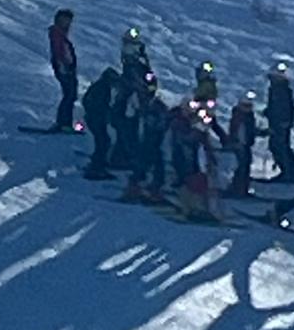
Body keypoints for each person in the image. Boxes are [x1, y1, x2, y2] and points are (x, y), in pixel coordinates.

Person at [124, 73, 169, 202]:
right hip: (145, 137)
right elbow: (130, 114)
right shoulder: (139, 101)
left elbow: (162, 122)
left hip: (154, 138)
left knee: (153, 159)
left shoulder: (157, 105)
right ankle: (138, 185)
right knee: (143, 159)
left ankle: (153, 187)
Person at [176, 110, 222, 222]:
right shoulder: (193, 136)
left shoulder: (201, 136)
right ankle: (192, 210)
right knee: (194, 187)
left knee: (200, 188)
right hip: (194, 166)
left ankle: (196, 209)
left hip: (198, 167)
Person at [265, 61, 294, 183]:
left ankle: (289, 172)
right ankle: (289, 170)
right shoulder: (274, 90)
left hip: (281, 123)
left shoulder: (282, 90)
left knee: (280, 146)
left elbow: (286, 107)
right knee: (277, 145)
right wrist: (268, 112)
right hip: (276, 122)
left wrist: (285, 121)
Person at [81, 66, 121, 178]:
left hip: (93, 118)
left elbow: (86, 100)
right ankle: (97, 168)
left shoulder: (99, 86)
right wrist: (106, 114)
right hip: (96, 119)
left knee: (102, 141)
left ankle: (98, 163)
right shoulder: (102, 89)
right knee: (103, 142)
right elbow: (100, 106)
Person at [47, 8, 78, 132]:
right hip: (63, 67)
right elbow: (59, 52)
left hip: (66, 67)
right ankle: (63, 123)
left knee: (70, 94)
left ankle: (65, 123)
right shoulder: (57, 34)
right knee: (69, 95)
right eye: (65, 20)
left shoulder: (61, 34)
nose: (68, 23)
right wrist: (63, 65)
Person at [226, 92, 258, 197]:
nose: (248, 108)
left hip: (245, 145)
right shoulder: (239, 116)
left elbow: (250, 131)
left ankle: (243, 189)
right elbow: (237, 131)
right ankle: (237, 189)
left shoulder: (249, 117)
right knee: (241, 167)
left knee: (245, 167)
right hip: (240, 145)